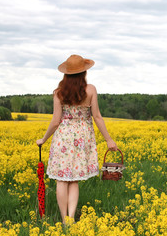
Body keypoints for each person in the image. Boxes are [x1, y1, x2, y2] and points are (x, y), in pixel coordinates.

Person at [36, 54, 117, 224]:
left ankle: (63, 218)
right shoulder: (91, 90)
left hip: (63, 139)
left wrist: (43, 139)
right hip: (82, 139)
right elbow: (97, 117)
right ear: (83, 73)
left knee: (61, 179)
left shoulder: (58, 93)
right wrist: (109, 140)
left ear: (66, 74)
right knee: (73, 179)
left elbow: (55, 121)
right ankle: (70, 218)